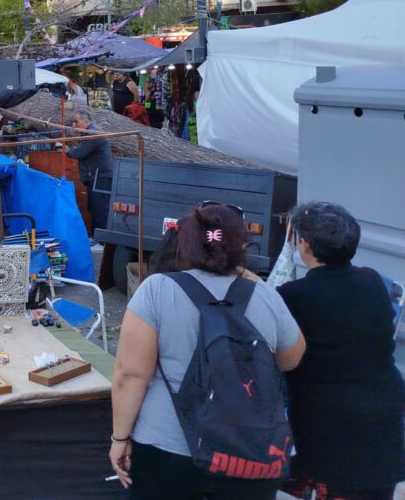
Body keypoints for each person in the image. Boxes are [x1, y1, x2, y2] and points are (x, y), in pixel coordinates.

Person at [110, 204, 306, 499]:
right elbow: (291, 359)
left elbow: (130, 375)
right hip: (245, 449)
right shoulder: (265, 295)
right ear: (241, 246)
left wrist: (120, 438)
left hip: (166, 445)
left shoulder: (156, 290)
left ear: (184, 244)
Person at [277, 202, 405, 500]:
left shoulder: (293, 297)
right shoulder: (372, 282)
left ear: (305, 245)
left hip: (330, 430)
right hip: (381, 418)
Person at [66, 106, 114, 235]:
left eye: (76, 121)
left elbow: (80, 152)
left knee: (100, 209)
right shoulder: (88, 133)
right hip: (96, 176)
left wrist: (69, 151)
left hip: (101, 176)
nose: (74, 124)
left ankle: (102, 240)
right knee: (94, 207)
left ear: (86, 121)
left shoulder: (94, 133)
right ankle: (96, 236)